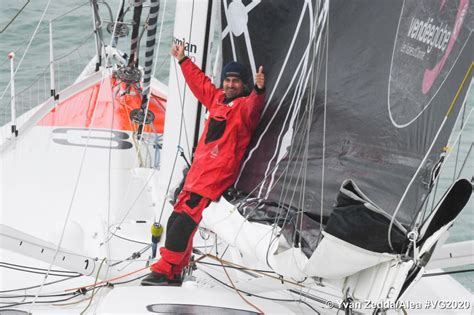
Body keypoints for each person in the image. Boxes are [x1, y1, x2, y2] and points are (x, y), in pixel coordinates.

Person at [141, 43, 266, 286]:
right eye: (228, 80)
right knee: (174, 221)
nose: (230, 84)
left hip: (213, 180)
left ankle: (165, 269)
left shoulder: (243, 108)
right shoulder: (218, 98)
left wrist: (259, 90)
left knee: (182, 224)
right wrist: (183, 60)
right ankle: (175, 271)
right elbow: (200, 84)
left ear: (244, 85)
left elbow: (255, 107)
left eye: (236, 81)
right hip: (196, 176)